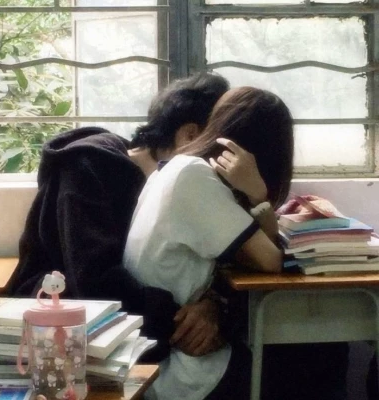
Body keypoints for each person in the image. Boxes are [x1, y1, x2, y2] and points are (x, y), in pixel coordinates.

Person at [6, 72, 230, 360]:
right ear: (190, 135)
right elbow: (95, 284)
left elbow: (211, 262)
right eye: (220, 147)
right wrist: (182, 322)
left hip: (138, 317)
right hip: (62, 319)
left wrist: (213, 306)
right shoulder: (88, 167)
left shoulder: (183, 186)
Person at [123, 86, 294, 400]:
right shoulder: (195, 177)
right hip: (179, 367)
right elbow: (271, 261)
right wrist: (258, 194)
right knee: (309, 354)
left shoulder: (176, 167)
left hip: (160, 351)